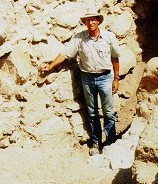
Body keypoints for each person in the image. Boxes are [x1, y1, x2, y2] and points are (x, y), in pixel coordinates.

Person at [38, 10, 121, 156]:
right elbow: (65, 54)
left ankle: (111, 142)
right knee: (92, 112)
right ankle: (96, 142)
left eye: (93, 20)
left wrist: (116, 79)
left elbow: (115, 58)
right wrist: (51, 66)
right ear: (84, 22)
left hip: (105, 77)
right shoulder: (79, 38)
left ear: (98, 21)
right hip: (87, 78)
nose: (90, 23)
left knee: (108, 111)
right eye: (87, 20)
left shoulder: (108, 37)